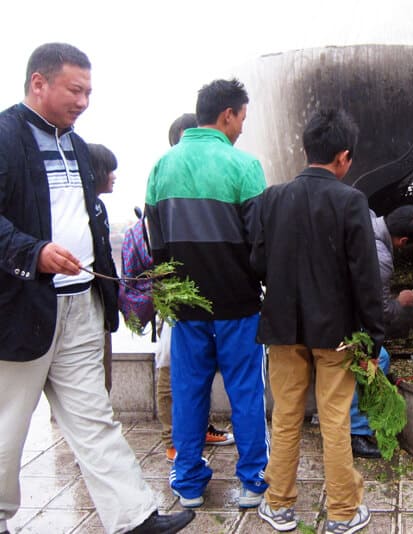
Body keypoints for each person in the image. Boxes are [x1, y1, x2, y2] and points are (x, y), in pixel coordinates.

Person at [0, 42, 194, 534]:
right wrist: (33, 252)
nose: (84, 101)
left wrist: (112, 297)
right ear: (38, 83)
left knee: (94, 418)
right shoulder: (4, 137)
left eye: (89, 91)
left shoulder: (78, 146)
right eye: (75, 89)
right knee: (7, 426)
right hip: (22, 308)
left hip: (81, 304)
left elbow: (91, 221)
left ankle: (133, 518)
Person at [251, 108, 380, 534]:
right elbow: (366, 275)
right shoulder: (350, 200)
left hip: (283, 328)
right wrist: (374, 337)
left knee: (285, 416)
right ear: (343, 157)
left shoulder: (272, 197)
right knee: (335, 418)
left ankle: (279, 505)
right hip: (336, 332)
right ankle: (343, 512)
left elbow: (257, 262)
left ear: (306, 150)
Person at [145, 79, 268, 509]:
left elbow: (156, 249)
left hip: (185, 305)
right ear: (226, 115)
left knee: (189, 391)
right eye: (241, 120)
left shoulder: (161, 167)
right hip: (238, 304)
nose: (241, 130)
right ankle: (253, 482)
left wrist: (172, 293)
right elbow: (260, 243)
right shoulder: (245, 167)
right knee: (246, 392)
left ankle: (190, 484)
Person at [154, 113, 235, 463]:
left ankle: (199, 433)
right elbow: (153, 247)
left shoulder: (207, 182)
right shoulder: (164, 176)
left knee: (196, 375)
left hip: (212, 300)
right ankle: (176, 441)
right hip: (178, 302)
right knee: (173, 369)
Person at [350, 205, 413, 459]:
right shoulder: (381, 257)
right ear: (403, 241)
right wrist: (402, 301)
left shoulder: (369, 216)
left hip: (338, 302)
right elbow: (381, 312)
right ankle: (356, 432)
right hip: (341, 315)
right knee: (378, 360)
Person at [87, 143, 118, 392]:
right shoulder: (83, 208)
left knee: (103, 378)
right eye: (109, 170)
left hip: (102, 304)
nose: (114, 176)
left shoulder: (99, 208)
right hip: (88, 302)